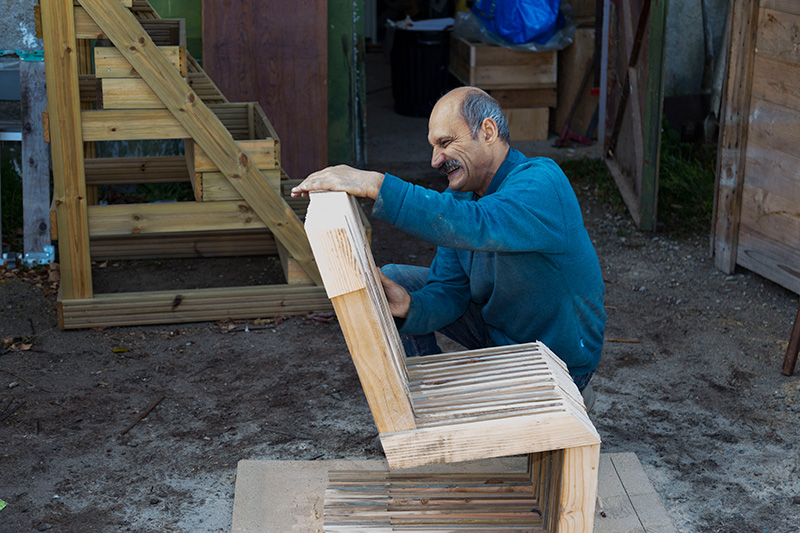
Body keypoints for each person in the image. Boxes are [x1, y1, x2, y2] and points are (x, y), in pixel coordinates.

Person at [292, 86, 605, 397]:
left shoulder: (541, 182)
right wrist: (411, 306)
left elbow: (478, 224)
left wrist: (373, 183)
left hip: (556, 359)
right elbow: (450, 291)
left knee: (487, 427)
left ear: (488, 131)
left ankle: (569, 396)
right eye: (432, 147)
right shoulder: (460, 198)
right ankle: (424, 399)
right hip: (499, 338)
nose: (435, 160)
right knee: (400, 280)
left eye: (445, 142)